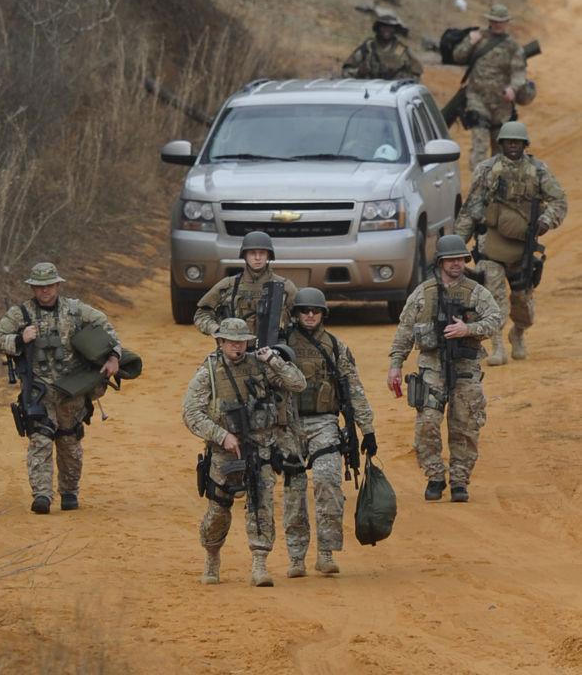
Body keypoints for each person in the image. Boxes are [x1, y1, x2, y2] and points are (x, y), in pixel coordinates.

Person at [0, 262, 121, 514]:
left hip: (71, 388)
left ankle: (69, 491)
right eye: (39, 287)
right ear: (32, 288)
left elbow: (106, 328)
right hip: (38, 389)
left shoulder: (75, 310)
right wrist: (19, 338)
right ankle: (42, 495)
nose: (44, 291)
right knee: (40, 438)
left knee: (69, 440)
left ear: (57, 285)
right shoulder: (20, 314)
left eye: (49, 286)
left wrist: (114, 356)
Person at [182, 318, 306, 587]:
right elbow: (191, 413)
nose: (238, 347)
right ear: (221, 342)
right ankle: (212, 555)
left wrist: (274, 359)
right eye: (232, 342)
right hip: (226, 452)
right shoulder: (209, 373)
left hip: (261, 446)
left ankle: (259, 563)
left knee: (261, 503)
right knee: (218, 509)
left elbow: (298, 384)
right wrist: (221, 435)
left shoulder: (260, 365)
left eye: (242, 342)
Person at [387, 236, 501, 503]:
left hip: (465, 366)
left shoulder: (476, 292)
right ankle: (435, 476)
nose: (456, 264)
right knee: (427, 422)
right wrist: (395, 365)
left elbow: (495, 319)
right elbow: (404, 330)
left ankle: (460, 480)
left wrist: (468, 329)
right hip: (432, 365)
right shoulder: (423, 293)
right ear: (440, 262)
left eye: (460, 259)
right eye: (451, 260)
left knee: (465, 424)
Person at [454, 121, 567, 364]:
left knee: (523, 305)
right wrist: (456, 247)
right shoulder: (487, 170)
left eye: (517, 141)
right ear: (501, 143)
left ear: (525, 144)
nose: (513, 145)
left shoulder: (538, 171)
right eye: (508, 141)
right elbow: (471, 210)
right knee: (492, 299)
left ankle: (518, 333)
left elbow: (559, 201)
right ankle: (497, 347)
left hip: (521, 250)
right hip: (490, 247)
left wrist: (546, 221)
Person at [285, 287, 377, 575]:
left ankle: (325, 552)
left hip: (325, 423)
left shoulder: (336, 347)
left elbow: (354, 390)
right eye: (304, 310)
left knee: (327, 482)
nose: (310, 315)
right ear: (296, 314)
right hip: (287, 426)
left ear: (323, 314)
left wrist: (368, 429)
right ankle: (296, 558)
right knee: (294, 492)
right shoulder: (280, 345)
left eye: (315, 310)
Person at [452, 3, 527, 171]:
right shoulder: (478, 38)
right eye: (494, 20)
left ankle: (496, 187)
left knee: (500, 148)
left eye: (501, 21)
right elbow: (458, 56)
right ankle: (479, 184)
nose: (497, 24)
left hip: (502, 105)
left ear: (507, 22)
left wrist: (513, 89)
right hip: (477, 100)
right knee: (479, 145)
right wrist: (470, 42)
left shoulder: (512, 46)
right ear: (489, 20)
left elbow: (519, 72)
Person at [193, 231, 297, 338]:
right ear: (244, 256)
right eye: (252, 253)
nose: (257, 257)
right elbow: (201, 314)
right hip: (235, 349)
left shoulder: (285, 287)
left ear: (269, 256)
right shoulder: (228, 285)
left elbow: (301, 318)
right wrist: (219, 331)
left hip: (273, 349)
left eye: (262, 253)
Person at [341, 10, 423, 81]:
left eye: (390, 27)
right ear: (378, 28)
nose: (387, 30)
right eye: (384, 26)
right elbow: (345, 72)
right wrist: (359, 72)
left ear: (395, 29)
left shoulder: (401, 50)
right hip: (369, 91)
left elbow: (416, 74)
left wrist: (402, 80)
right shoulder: (367, 47)